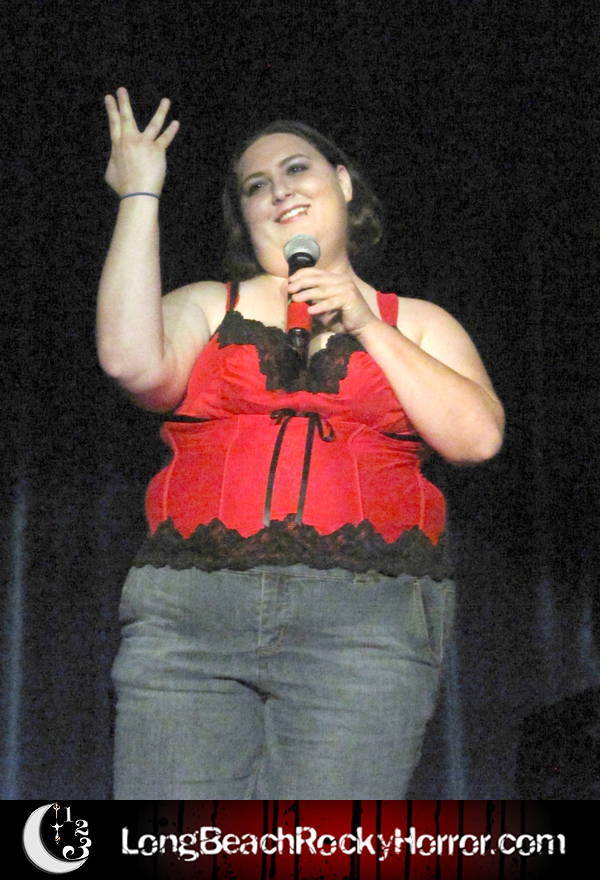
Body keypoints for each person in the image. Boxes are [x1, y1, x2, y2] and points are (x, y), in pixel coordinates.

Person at [97, 87, 504, 799]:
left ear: (342, 183)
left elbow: (477, 438)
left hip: (364, 624)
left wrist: (366, 323)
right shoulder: (208, 303)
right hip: (192, 617)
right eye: (256, 186)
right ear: (244, 214)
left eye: (296, 169)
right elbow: (132, 364)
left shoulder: (418, 321)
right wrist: (139, 193)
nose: (278, 191)